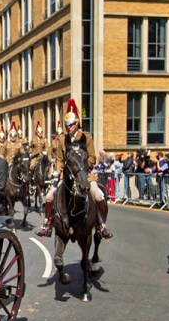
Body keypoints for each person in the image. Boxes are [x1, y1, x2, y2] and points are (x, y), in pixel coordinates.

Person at [35, 98, 113, 239]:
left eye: (70, 124)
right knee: (49, 196)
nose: (68, 127)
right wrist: (57, 171)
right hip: (66, 175)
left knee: (98, 195)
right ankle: (47, 225)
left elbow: (92, 158)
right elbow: (59, 158)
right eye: (66, 124)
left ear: (77, 123)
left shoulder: (86, 137)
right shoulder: (61, 139)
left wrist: (82, 167)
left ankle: (101, 225)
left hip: (84, 174)